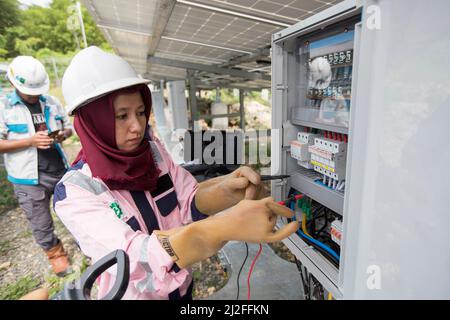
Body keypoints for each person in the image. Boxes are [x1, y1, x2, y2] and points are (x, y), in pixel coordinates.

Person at [54, 46, 299, 300]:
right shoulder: (75, 192)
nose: (137, 127)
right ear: (93, 121)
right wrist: (221, 228)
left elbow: (187, 199)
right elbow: (133, 258)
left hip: (181, 288)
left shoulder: (151, 152)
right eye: (121, 116)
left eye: (140, 112)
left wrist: (225, 190)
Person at [0, 56, 73, 276]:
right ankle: (56, 255)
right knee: (40, 221)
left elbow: (68, 127)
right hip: (28, 177)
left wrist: (62, 135)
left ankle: (85, 243)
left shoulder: (50, 101)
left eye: (37, 91)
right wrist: (30, 141)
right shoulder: (4, 107)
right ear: (13, 83)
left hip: (58, 168)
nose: (34, 96)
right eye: (28, 92)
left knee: (74, 210)